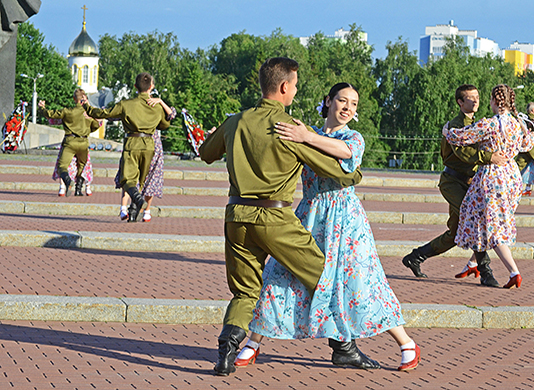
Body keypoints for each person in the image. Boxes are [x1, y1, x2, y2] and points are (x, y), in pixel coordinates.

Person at [234, 83, 420, 372]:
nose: (347, 107)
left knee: (361, 282)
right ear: (328, 101)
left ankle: (406, 343)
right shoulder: (303, 132)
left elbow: (345, 153)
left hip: (346, 220)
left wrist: (307, 136)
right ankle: (252, 343)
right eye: (342, 101)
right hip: (309, 215)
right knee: (281, 275)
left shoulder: (352, 137)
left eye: (354, 104)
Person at [199, 57, 363, 376]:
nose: (296, 91)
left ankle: (226, 351)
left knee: (245, 292)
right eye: (296, 86)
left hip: (236, 217)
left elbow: (206, 153)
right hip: (275, 219)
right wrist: (354, 176)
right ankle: (344, 348)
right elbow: (333, 169)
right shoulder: (287, 128)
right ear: (285, 87)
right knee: (323, 277)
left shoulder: (236, 121)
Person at [401, 84, 506, 287]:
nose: (475, 101)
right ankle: (485, 271)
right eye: (470, 98)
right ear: (460, 102)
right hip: (453, 182)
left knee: (455, 233)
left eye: (477, 97)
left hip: (470, 182)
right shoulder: (456, 125)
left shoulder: (478, 123)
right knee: (475, 219)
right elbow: (462, 153)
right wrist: (489, 157)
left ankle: (415, 257)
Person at [442, 84, 534, 289]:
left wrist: (448, 132)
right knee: (479, 216)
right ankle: (473, 263)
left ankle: (514, 272)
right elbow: (528, 144)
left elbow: (463, 137)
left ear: (494, 101)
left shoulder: (490, 124)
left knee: (493, 225)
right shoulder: (517, 124)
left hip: (492, 176)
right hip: (512, 177)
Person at [83, 72, 170, 219]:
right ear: (151, 87)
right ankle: (135, 210)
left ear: (135, 87)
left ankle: (136, 199)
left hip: (132, 143)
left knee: (127, 179)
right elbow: (165, 124)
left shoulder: (126, 104)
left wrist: (87, 107)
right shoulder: (157, 107)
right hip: (150, 145)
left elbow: (105, 113)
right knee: (142, 180)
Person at [116, 97, 176, 222]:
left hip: (143, 145)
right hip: (151, 146)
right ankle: (139, 210)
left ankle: (127, 209)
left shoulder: (136, 106)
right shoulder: (155, 108)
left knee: (133, 178)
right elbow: (171, 115)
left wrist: (160, 101)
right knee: (146, 180)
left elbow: (171, 114)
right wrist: (160, 102)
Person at [38, 89, 100, 197]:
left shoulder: (67, 111)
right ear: (84, 99)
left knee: (62, 166)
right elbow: (96, 125)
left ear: (74, 99)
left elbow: (51, 114)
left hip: (70, 142)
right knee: (82, 166)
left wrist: (42, 108)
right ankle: (78, 188)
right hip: (83, 142)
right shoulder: (88, 114)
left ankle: (67, 181)